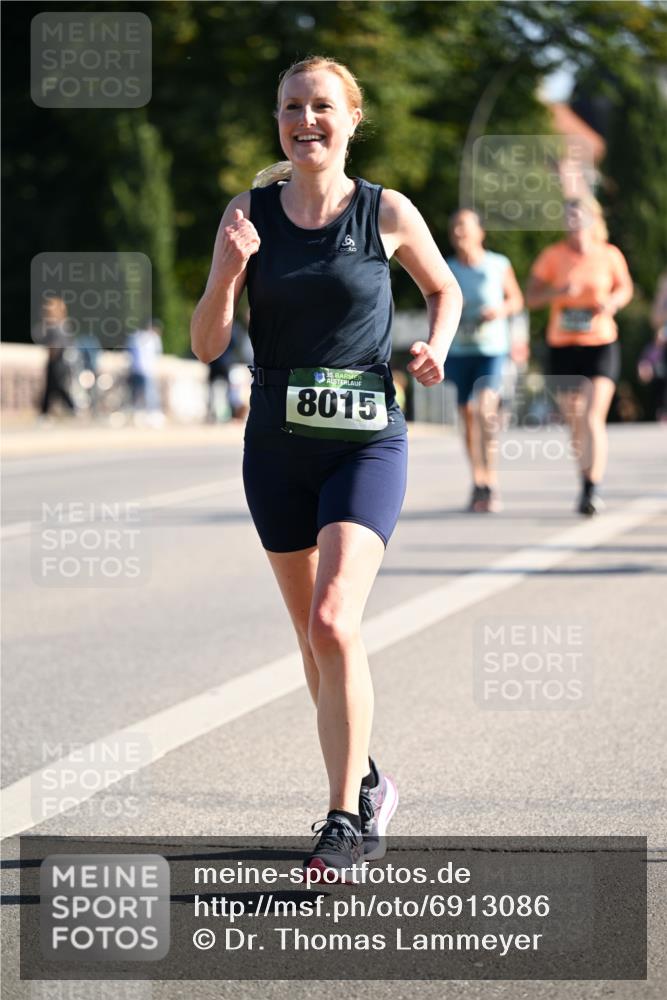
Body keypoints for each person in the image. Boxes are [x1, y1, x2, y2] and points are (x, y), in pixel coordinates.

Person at [191, 56, 462, 881]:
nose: (303, 120)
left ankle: (344, 821)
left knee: (334, 621)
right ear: (277, 120)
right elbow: (205, 344)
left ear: (351, 118)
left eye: (319, 106)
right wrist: (229, 272)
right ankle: (369, 780)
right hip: (274, 448)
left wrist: (435, 347)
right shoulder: (247, 213)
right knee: (311, 640)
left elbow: (444, 289)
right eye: (289, 107)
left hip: (363, 442)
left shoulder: (387, 211)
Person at [526, 196, 633, 515]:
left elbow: (625, 288)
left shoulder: (609, 254)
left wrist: (612, 302)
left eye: (578, 215)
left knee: (592, 415)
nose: (572, 221)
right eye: (568, 216)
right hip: (562, 346)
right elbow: (531, 297)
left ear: (592, 219)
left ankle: (592, 487)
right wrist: (556, 293)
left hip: (600, 342)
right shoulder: (552, 256)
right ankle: (584, 478)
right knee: (574, 420)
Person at [445, 209, 524, 512]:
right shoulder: (447, 268)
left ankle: (491, 479)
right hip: (459, 350)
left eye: (464, 227)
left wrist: (499, 311)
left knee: (485, 409)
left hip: (491, 349)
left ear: (480, 232)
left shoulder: (498, 264)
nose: (459, 233)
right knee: (467, 415)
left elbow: (516, 300)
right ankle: (478, 479)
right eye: (455, 228)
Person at [34, 296, 77, 419]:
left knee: (56, 387)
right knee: (54, 387)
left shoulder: (57, 327)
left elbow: (54, 345)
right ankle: (47, 411)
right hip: (61, 361)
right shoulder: (64, 325)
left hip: (57, 361)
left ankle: (71, 409)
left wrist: (52, 357)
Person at [126, 320, 164, 426]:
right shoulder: (152, 339)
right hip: (146, 370)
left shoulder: (135, 337)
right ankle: (150, 415)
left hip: (138, 369)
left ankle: (139, 414)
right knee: (149, 394)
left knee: (139, 394)